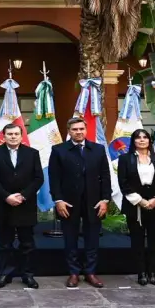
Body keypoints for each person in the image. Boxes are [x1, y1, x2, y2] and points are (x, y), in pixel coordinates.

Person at [48, 117, 112, 288]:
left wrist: (105, 199)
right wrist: (58, 200)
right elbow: (54, 178)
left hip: (94, 202)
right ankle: (74, 273)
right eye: (74, 129)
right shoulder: (58, 150)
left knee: (92, 239)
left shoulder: (98, 149)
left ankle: (90, 272)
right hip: (68, 203)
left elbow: (105, 176)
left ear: (86, 130)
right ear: (69, 131)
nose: (78, 132)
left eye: (81, 129)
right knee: (70, 239)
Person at [0, 124, 43, 289]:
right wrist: (6, 196)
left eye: (16, 134)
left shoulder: (32, 153)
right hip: (3, 205)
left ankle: (28, 275)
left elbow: (38, 178)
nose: (13, 137)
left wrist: (23, 195)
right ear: (3, 136)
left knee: (27, 244)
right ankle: (5, 274)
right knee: (5, 243)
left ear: (21, 136)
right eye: (10, 134)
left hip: (26, 205)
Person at [118, 129, 155, 286]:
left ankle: (153, 273)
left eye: (145, 137)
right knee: (137, 241)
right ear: (133, 141)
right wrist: (140, 201)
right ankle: (141, 273)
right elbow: (123, 183)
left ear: (149, 140)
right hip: (135, 206)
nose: (142, 140)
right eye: (138, 137)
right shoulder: (125, 159)